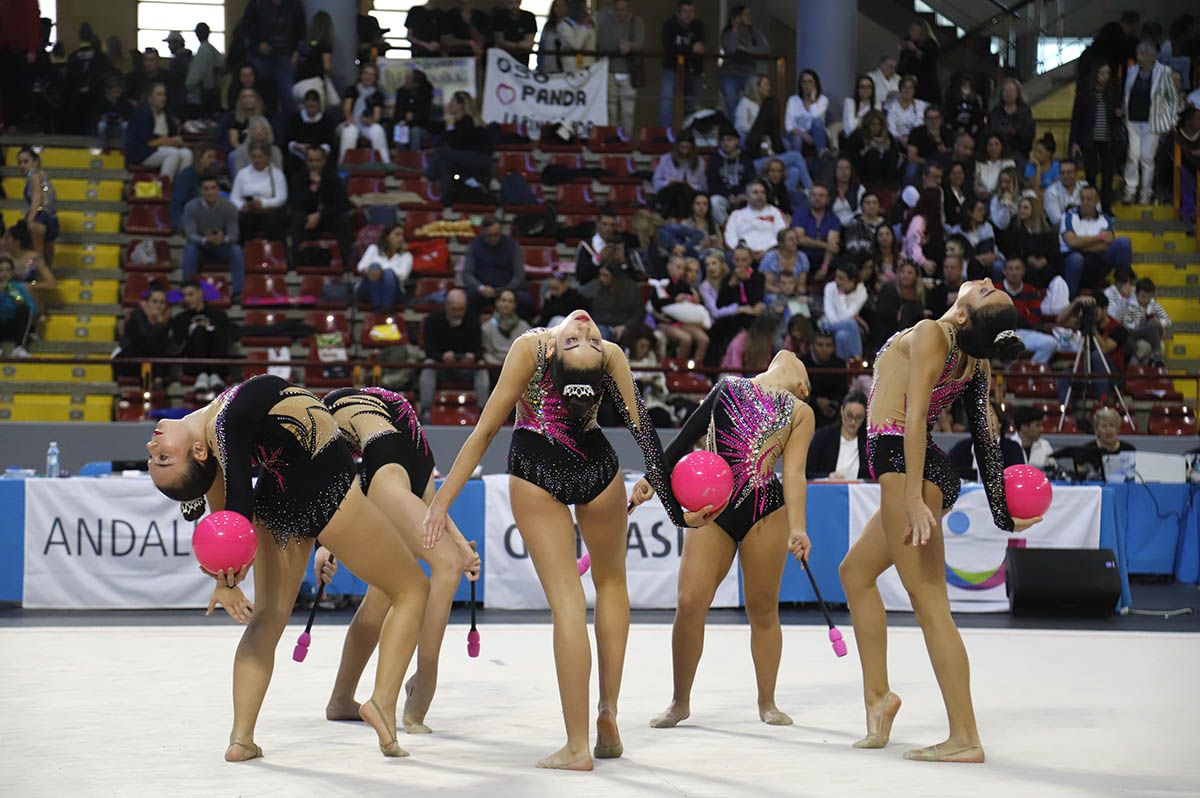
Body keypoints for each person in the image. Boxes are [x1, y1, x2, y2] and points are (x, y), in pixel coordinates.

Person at [423, 313, 708, 770]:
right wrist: (440, 504)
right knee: (612, 585)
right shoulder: (608, 356)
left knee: (570, 605)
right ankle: (605, 711)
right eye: (584, 337)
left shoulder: (532, 348)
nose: (588, 329)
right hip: (596, 466)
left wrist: (440, 503)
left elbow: (486, 431)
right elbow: (645, 436)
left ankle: (581, 742)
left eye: (588, 338)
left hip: (538, 466)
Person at [146, 374, 429, 761]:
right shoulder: (224, 425)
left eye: (155, 457)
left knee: (268, 617)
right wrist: (226, 576)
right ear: (196, 451)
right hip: (322, 484)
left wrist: (227, 573)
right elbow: (237, 507)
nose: (152, 444)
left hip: (280, 496)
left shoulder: (214, 434)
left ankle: (241, 738)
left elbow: (225, 510)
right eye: (162, 457)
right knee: (412, 589)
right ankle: (382, 702)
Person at [839, 280, 1037, 764]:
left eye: (989, 292)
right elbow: (986, 443)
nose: (989, 282)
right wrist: (1003, 512)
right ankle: (879, 701)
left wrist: (909, 496)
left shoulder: (932, 331)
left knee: (930, 604)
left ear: (966, 314)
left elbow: (916, 415)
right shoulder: (976, 358)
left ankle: (965, 736)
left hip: (906, 469)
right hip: (920, 469)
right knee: (855, 574)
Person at [637, 353, 814, 729]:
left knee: (763, 609)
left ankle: (767, 701)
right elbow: (684, 439)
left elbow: (795, 473)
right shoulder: (727, 387)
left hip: (765, 510)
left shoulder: (801, 411)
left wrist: (798, 527)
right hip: (713, 508)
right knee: (688, 602)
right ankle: (679, 701)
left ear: (805, 387)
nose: (791, 356)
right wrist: (652, 480)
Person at [317, 387, 479, 733]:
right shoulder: (329, 419)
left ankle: (342, 699)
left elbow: (432, 506)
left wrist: (463, 544)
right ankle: (420, 689)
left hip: (408, 463)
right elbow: (328, 482)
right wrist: (322, 542)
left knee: (383, 597)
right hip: (392, 463)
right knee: (446, 566)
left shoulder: (331, 417)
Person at [1122, 40, 1180, 204]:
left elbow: (1172, 98)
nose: (1138, 57)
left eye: (1142, 54)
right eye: (1138, 54)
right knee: (1133, 155)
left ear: (1152, 57)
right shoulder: (1132, 70)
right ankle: (1130, 190)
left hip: (1153, 122)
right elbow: (1126, 94)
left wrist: (1170, 121)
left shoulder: (1165, 72)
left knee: (1147, 157)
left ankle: (1146, 193)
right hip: (1132, 120)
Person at [419, 289, 490, 414]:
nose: (457, 313)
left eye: (461, 309)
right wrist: (441, 357)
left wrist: (472, 356)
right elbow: (429, 351)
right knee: (428, 366)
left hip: (466, 367)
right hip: (442, 366)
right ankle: (426, 411)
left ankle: (483, 411)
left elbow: (480, 349)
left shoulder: (473, 320)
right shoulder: (432, 320)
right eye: (454, 309)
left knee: (482, 367)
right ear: (446, 306)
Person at [182, 174, 246, 304]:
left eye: (213, 188)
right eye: (206, 189)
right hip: (201, 248)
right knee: (189, 249)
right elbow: (190, 234)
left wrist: (223, 239)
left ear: (218, 189)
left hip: (222, 247)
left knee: (237, 250)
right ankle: (187, 293)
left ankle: (238, 293)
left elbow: (234, 235)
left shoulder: (229, 207)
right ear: (200, 191)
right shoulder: (190, 207)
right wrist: (205, 240)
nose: (210, 192)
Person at [1060, 185, 1132, 297]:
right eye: (1082, 199)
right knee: (1076, 259)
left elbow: (1108, 242)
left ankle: (1122, 290)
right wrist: (1099, 237)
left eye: (1089, 199)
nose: (1085, 202)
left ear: (1097, 201)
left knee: (1123, 243)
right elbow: (1072, 242)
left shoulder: (1106, 219)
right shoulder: (1069, 215)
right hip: (1074, 260)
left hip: (1099, 261)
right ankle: (1069, 300)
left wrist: (1081, 243)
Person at [1070, 63, 1123, 213]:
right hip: (1089, 139)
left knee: (1108, 176)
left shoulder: (1113, 93)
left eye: (1107, 73)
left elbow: (1118, 116)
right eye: (1101, 73)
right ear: (1095, 74)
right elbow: (1076, 119)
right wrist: (1074, 141)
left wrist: (1118, 113)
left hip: (1108, 140)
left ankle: (1106, 207)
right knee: (1091, 175)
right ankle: (1093, 206)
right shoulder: (1085, 93)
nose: (1104, 76)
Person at [242, 0, 307, 117]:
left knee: (288, 97)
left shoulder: (294, 5)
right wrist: (257, 44)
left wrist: (297, 51)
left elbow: (301, 31)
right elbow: (245, 28)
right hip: (261, 56)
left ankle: (287, 131)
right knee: (257, 94)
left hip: (285, 55)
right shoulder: (257, 4)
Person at [171, 278, 232, 391]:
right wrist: (194, 329)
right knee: (199, 330)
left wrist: (209, 328)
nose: (187, 299)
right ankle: (202, 374)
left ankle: (214, 374)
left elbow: (228, 337)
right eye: (184, 296)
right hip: (192, 364)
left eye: (191, 295)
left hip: (216, 360)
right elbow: (179, 343)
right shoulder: (180, 319)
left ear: (200, 293)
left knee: (217, 330)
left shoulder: (218, 315)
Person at [463, 216, 531, 315]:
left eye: (497, 235)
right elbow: (467, 274)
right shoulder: (474, 245)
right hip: (482, 290)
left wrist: (507, 289)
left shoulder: (513, 246)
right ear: (483, 232)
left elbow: (519, 274)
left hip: (507, 289)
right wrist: (480, 288)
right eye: (490, 235)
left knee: (526, 301)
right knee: (467, 298)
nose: (494, 238)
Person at [125, 83, 194, 179]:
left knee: (187, 153)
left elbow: (171, 134)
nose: (163, 98)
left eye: (164, 94)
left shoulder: (165, 112)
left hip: (163, 148)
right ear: (150, 98)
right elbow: (148, 142)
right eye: (159, 94)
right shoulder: (143, 113)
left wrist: (175, 140)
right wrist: (168, 141)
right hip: (142, 153)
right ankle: (164, 186)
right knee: (172, 153)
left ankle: (180, 187)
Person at [997, 256, 1057, 364]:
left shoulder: (1031, 291)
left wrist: (1012, 317)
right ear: (1004, 271)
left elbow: (1035, 319)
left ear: (1023, 271)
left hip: (1024, 333)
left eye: (1017, 268)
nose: (1014, 272)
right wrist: (1020, 317)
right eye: (1010, 269)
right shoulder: (996, 290)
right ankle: (1012, 376)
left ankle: (1031, 369)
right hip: (1000, 334)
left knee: (1051, 343)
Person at [596, 0, 643, 133]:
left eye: (623, 10)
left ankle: (626, 139)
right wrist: (619, 46)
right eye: (617, 10)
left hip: (629, 72)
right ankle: (613, 140)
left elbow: (639, 43)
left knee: (628, 112)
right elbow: (602, 44)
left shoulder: (636, 22)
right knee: (611, 110)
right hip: (610, 71)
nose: (620, 13)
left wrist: (630, 46)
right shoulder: (606, 23)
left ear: (629, 10)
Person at [948, 400, 1025, 480]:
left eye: (989, 414)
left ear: (1000, 423)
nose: (984, 418)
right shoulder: (961, 448)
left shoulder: (1012, 449)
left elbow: (1017, 478)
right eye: (980, 414)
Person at [718, 5, 769, 121]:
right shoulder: (728, 32)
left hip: (748, 72)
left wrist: (747, 50)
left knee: (752, 97)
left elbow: (765, 48)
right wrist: (735, 29)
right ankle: (733, 126)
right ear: (737, 17)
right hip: (730, 73)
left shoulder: (753, 31)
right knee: (731, 99)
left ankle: (749, 124)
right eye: (745, 15)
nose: (748, 17)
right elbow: (731, 48)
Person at [230, 142, 289, 242]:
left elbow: (282, 197)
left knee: (272, 221)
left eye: (260, 157)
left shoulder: (277, 174)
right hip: (248, 211)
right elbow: (234, 197)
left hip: (269, 211)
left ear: (267, 157)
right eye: (254, 157)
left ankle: (275, 254)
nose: (256, 160)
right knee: (242, 221)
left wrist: (263, 204)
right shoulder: (242, 173)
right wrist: (242, 206)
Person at [806, 389, 870, 480]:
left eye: (858, 417)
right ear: (841, 410)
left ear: (865, 417)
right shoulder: (823, 437)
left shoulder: (868, 443)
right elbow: (807, 473)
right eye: (849, 415)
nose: (853, 422)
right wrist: (827, 477)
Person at [659, 0, 705, 125]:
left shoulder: (698, 26)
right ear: (678, 13)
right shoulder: (669, 25)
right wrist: (690, 49)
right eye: (685, 11)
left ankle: (688, 134)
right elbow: (670, 48)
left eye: (691, 11)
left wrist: (685, 50)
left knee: (692, 105)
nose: (688, 15)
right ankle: (665, 134)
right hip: (671, 68)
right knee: (666, 101)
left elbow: (700, 47)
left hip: (694, 71)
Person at [115, 280, 172, 379]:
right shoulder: (137, 315)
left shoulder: (167, 320)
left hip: (152, 362)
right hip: (131, 360)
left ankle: (159, 378)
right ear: (147, 302)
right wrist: (159, 325)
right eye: (154, 301)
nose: (158, 306)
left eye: (162, 302)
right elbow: (144, 338)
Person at [580, 255, 644, 342]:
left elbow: (638, 313)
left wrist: (625, 326)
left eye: (605, 275)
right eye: (600, 275)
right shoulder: (596, 286)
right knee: (600, 333)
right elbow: (579, 295)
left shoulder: (630, 288)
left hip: (622, 325)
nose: (602, 278)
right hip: (599, 325)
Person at [723, 179, 788, 259]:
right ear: (747, 197)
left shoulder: (775, 212)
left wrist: (766, 251)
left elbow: (782, 235)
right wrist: (745, 252)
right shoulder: (736, 215)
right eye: (755, 192)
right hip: (743, 255)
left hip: (770, 253)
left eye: (762, 192)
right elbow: (730, 238)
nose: (760, 195)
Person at [14, 147, 59, 263]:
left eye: (26, 161)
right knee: (47, 260)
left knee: (38, 257)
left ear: (36, 162)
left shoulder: (33, 174)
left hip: (40, 218)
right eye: (20, 163)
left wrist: (29, 221)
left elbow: (37, 197)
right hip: (52, 220)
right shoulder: (43, 176)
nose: (22, 166)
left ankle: (37, 278)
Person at [339, 63, 390, 163]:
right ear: (361, 75)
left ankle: (385, 162)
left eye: (372, 75)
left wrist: (369, 121)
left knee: (377, 129)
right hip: (351, 122)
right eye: (366, 73)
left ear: (375, 78)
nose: (368, 77)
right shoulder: (351, 89)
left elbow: (376, 117)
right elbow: (347, 109)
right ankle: (344, 164)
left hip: (367, 125)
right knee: (350, 131)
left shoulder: (377, 94)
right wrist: (350, 119)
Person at [356, 224, 412, 312]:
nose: (401, 238)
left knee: (389, 273)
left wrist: (382, 272)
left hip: (395, 291)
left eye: (402, 236)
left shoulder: (406, 256)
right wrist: (371, 271)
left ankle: (382, 309)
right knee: (374, 266)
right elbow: (361, 267)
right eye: (397, 235)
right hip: (368, 288)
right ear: (387, 236)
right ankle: (381, 309)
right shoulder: (373, 249)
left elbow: (403, 275)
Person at [1070, 406, 1137, 478]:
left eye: (1112, 426)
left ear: (1118, 429)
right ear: (1096, 430)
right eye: (1104, 426)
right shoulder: (1085, 450)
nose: (1108, 430)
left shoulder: (1129, 450)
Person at [792, 183, 842, 279]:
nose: (817, 198)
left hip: (824, 257)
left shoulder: (833, 219)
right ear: (809, 197)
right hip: (802, 255)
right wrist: (824, 244)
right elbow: (800, 239)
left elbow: (832, 246)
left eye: (821, 196)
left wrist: (824, 267)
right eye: (814, 195)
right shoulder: (800, 214)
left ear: (827, 199)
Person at [820, 260, 867, 361]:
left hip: (847, 330)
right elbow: (830, 316)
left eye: (841, 278)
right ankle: (858, 358)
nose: (837, 281)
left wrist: (841, 296)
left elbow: (846, 315)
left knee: (841, 336)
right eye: (836, 276)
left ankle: (843, 365)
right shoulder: (830, 287)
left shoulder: (862, 292)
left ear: (852, 281)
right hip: (828, 325)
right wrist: (841, 293)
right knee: (852, 323)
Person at [707, 130, 756, 227]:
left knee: (755, 198)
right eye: (723, 140)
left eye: (729, 140)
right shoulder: (715, 159)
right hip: (724, 196)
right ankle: (728, 227)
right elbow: (713, 183)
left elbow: (751, 179)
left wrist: (743, 193)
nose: (726, 143)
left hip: (743, 195)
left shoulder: (745, 157)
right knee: (714, 202)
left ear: (737, 141)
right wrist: (728, 195)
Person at [801, 329, 848, 428]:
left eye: (828, 345)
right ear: (813, 346)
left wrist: (833, 404)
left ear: (834, 348)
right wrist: (817, 402)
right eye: (820, 345)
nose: (824, 348)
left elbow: (843, 391)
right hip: (807, 408)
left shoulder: (840, 364)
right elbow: (798, 391)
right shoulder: (803, 362)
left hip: (833, 411)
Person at [285, 90, 337, 178]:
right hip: (299, 155)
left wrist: (317, 150)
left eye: (313, 107)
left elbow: (330, 143)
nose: (310, 110)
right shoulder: (296, 118)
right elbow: (289, 141)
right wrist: (297, 146)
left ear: (319, 106)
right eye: (308, 107)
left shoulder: (327, 120)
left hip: (320, 155)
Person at [1120, 277, 1172, 364]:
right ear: (1136, 294)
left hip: (1151, 334)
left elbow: (1168, 321)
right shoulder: (1130, 306)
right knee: (1151, 328)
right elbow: (1125, 324)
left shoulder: (1154, 304)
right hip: (1133, 334)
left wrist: (1160, 322)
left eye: (1149, 297)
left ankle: (1152, 362)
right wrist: (1138, 325)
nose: (1146, 300)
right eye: (1143, 296)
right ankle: (1157, 356)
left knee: (1153, 326)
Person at [291, 10, 337, 109]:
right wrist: (334, 74)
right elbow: (327, 67)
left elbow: (293, 61)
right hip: (314, 84)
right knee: (316, 115)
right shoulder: (325, 44)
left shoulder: (303, 43)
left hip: (297, 85)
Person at [984, 78, 1035, 164]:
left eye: (1011, 90)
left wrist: (1015, 132)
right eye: (1005, 90)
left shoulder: (1024, 111)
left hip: (1017, 152)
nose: (1008, 93)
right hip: (996, 152)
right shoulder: (996, 111)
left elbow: (1029, 134)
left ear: (1017, 93)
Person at [538, 0, 595, 74]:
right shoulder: (549, 26)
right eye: (557, 6)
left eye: (562, 6)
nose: (559, 9)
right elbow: (542, 46)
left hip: (566, 68)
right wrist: (539, 66)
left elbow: (576, 45)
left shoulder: (572, 24)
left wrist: (584, 26)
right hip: (549, 66)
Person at [171, 144, 219, 231]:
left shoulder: (211, 174)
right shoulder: (186, 176)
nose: (213, 161)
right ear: (199, 157)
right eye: (210, 157)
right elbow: (177, 204)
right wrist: (180, 224)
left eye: (214, 157)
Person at [785, 69, 830, 154]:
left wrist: (813, 100)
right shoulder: (793, 100)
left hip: (816, 133)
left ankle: (822, 155)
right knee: (797, 139)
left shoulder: (823, 100)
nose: (807, 85)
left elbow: (815, 116)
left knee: (817, 121)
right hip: (797, 134)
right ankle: (797, 163)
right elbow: (788, 126)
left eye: (810, 82)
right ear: (800, 84)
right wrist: (803, 134)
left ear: (816, 83)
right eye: (804, 82)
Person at [482, 288, 532, 365]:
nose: (506, 305)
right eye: (503, 300)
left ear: (515, 305)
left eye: (510, 301)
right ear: (497, 303)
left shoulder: (524, 327)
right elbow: (486, 353)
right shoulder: (487, 327)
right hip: (494, 366)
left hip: (518, 366)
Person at [185, 23, 224, 118]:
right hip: (213, 92)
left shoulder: (203, 50)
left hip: (201, 95)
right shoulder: (213, 50)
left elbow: (195, 77)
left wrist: (188, 86)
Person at [0, 254, 36, 357]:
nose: (4, 274)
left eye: (7, 270)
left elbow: (31, 309)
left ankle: (18, 347)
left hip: (14, 327)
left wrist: (16, 297)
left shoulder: (18, 288)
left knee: (24, 308)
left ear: (12, 273)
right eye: (1, 270)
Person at [898, 20, 940, 104]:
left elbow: (928, 61)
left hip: (925, 84)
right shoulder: (908, 42)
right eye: (911, 30)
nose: (912, 33)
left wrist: (915, 50)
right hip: (911, 81)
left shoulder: (930, 44)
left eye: (915, 30)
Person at [491, 0, 539, 66]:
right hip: (502, 58)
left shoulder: (528, 17)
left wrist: (510, 45)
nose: (514, 6)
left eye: (516, 2)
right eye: (510, 2)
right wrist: (519, 45)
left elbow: (528, 44)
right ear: (506, 3)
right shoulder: (499, 17)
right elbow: (500, 42)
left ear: (520, 2)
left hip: (522, 59)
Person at [1043, 158, 1087, 227]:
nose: (1065, 176)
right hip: (1063, 232)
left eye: (1069, 173)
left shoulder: (1085, 186)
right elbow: (1056, 221)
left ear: (1076, 173)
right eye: (1062, 173)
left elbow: (1097, 211)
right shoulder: (1051, 192)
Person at [884, 76, 927, 148]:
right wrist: (900, 138)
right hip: (897, 141)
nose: (907, 90)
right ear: (900, 89)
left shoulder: (921, 105)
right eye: (905, 87)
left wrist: (911, 139)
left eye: (910, 87)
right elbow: (891, 126)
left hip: (916, 140)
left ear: (914, 90)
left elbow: (921, 125)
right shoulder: (892, 106)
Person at [974, 134, 1016, 199]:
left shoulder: (1009, 163)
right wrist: (979, 192)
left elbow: (1011, 184)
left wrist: (994, 193)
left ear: (1002, 146)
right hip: (981, 198)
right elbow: (976, 183)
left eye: (996, 144)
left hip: (1001, 197)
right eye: (990, 145)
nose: (993, 148)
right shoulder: (979, 164)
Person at [843, 74, 883, 138]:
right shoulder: (849, 102)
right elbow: (849, 127)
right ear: (857, 89)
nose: (866, 89)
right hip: (853, 136)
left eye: (869, 87)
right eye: (862, 87)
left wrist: (859, 120)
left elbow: (876, 124)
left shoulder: (877, 103)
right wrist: (866, 120)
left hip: (872, 135)